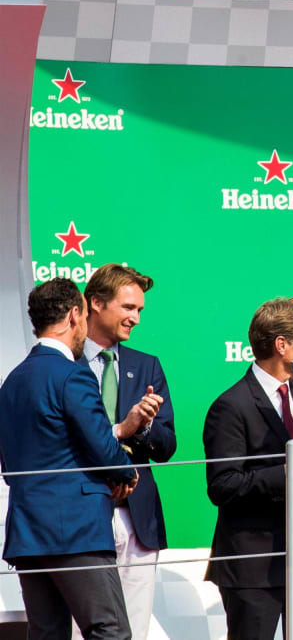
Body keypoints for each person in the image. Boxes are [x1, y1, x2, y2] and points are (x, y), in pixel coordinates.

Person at [0, 278, 139, 640]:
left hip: (28, 532)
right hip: (76, 531)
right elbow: (102, 446)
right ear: (75, 314)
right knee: (109, 630)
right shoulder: (71, 374)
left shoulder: (11, 381)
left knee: (47, 634)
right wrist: (125, 469)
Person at [203, 298, 293, 640]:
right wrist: (292, 471)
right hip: (253, 565)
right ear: (281, 345)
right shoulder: (230, 406)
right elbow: (223, 486)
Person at [77, 264, 175, 640]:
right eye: (128, 307)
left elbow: (167, 445)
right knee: (81, 627)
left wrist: (144, 425)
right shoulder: (64, 363)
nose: (135, 318)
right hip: (83, 511)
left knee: (134, 627)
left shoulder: (146, 365)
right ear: (96, 303)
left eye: (140, 310)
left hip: (137, 519)